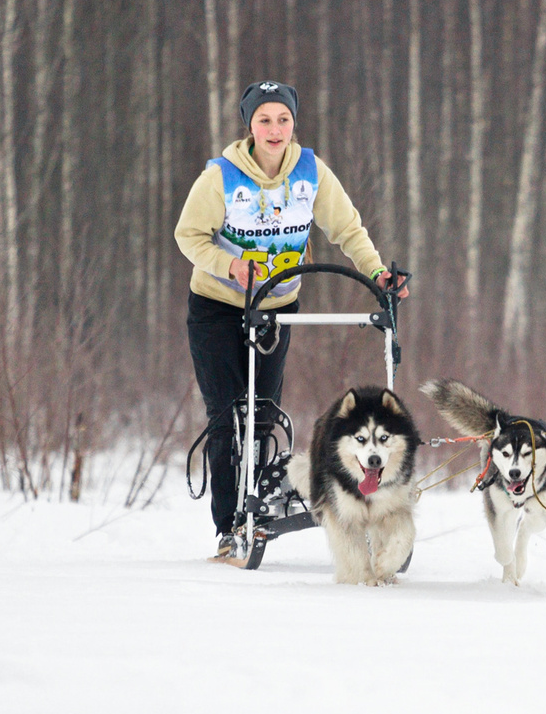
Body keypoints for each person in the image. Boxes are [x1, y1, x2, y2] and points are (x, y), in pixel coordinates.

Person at [174, 80, 409, 561]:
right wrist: (230, 265)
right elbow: (188, 235)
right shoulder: (220, 177)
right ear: (250, 126)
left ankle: (255, 505)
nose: (275, 129)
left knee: (261, 415)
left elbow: (347, 229)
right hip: (218, 306)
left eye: (283, 119)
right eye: (265, 120)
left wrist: (379, 274)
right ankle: (228, 525)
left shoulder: (311, 172)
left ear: (293, 123)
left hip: (276, 308)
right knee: (228, 417)